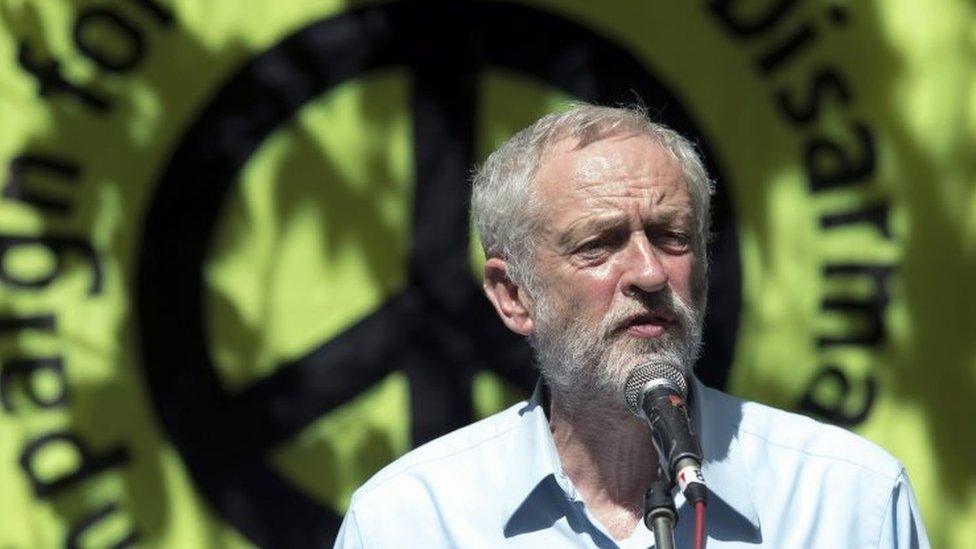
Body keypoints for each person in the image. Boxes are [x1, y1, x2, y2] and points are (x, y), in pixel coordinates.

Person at [334, 105, 929, 547]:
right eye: (600, 244)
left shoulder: (850, 500)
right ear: (514, 297)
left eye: (672, 237)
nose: (648, 272)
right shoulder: (409, 521)